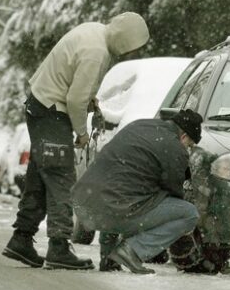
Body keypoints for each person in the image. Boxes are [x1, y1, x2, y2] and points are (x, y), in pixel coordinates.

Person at [2, 12, 150, 270]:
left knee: (40, 177)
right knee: (62, 178)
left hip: (40, 105)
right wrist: (82, 133)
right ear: (125, 41)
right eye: (131, 49)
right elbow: (74, 100)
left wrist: (90, 98)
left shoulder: (93, 30)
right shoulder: (97, 52)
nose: (128, 54)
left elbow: (76, 80)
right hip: (51, 111)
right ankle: (59, 247)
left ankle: (21, 238)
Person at [71, 109, 203, 274]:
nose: (188, 149)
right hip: (115, 209)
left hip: (87, 202)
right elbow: (174, 192)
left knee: (120, 190)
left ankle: (108, 257)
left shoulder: (139, 125)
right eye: (189, 145)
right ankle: (133, 251)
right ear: (183, 136)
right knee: (188, 213)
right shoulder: (175, 147)